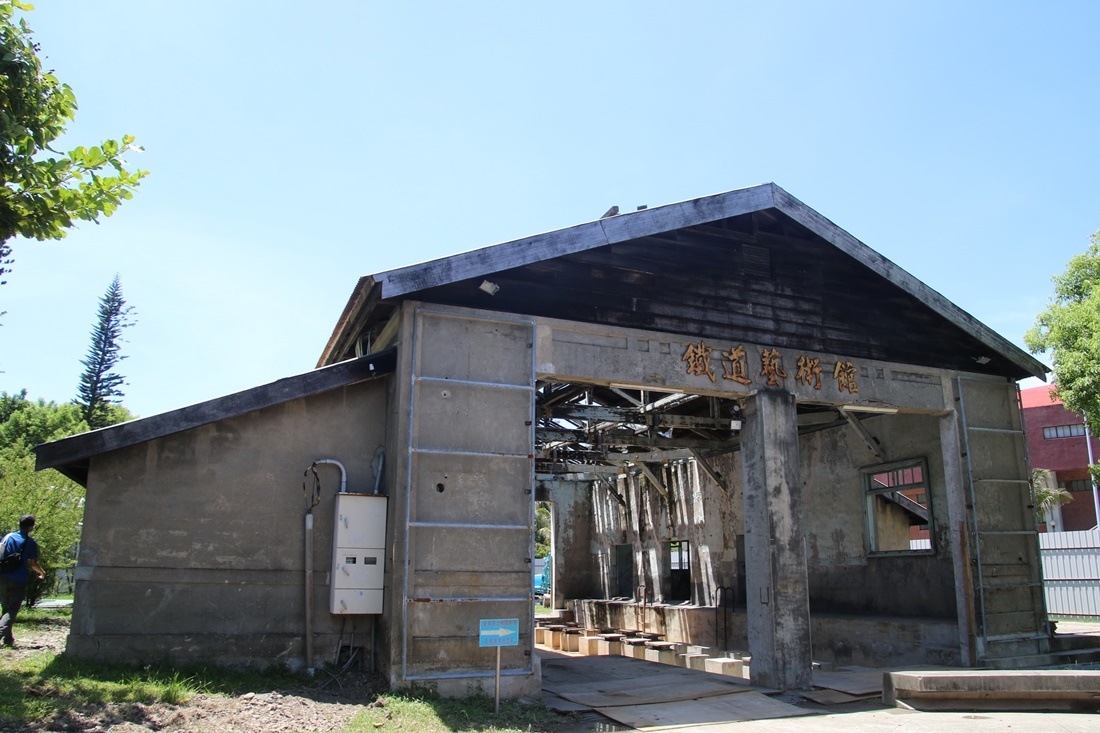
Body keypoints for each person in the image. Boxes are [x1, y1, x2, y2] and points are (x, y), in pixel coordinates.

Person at [0, 515, 46, 647]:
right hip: (18, 579)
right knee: (12, 609)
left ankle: (8, 639)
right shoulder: (30, 542)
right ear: (31, 527)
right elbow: (33, 564)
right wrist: (41, 573)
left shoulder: (8, 537)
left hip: (2, 576)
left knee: (6, 607)